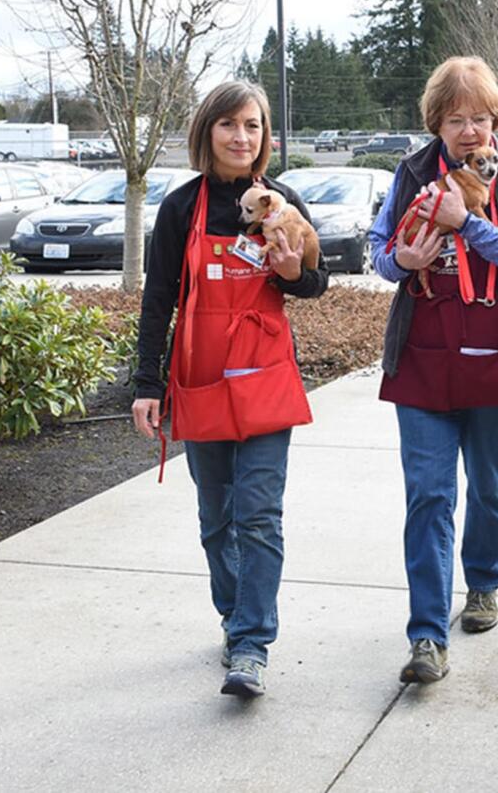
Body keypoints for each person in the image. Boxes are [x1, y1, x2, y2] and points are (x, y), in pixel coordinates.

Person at [131, 81, 329, 698]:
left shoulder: (282, 201)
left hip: (265, 376)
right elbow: (158, 298)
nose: (242, 137)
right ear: (207, 132)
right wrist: (147, 383)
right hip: (200, 376)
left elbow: (315, 283)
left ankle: (251, 645)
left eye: (252, 125)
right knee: (216, 518)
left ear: (266, 134)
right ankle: (232, 614)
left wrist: (295, 273)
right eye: (229, 125)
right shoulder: (180, 208)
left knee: (259, 515)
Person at [367, 56, 498, 684]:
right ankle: (426, 636)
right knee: (428, 495)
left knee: (490, 484)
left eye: (480, 117)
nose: (470, 130)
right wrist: (402, 257)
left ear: (495, 118)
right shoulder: (411, 170)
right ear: (437, 124)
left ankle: (482, 584)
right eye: (456, 119)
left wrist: (466, 224)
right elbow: (379, 253)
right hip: (423, 357)